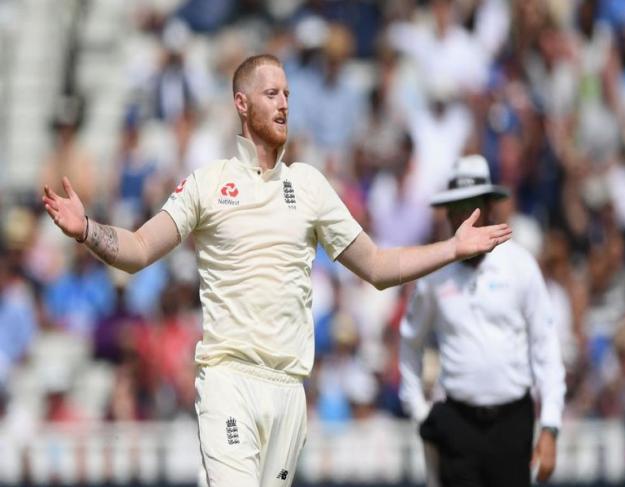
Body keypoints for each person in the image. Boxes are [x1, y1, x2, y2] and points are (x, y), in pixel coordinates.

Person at [42, 54, 512, 487]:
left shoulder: (309, 186)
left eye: (287, 93)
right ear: (241, 104)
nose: (284, 103)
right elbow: (141, 248)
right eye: (272, 94)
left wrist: (452, 248)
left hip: (289, 392)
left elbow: (377, 266)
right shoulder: (209, 183)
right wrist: (87, 230)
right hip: (229, 380)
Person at [399, 154, 566, 487]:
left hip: (512, 422)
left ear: (490, 209)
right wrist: (418, 409)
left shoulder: (519, 265)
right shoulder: (434, 276)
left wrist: (550, 425)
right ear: (448, 214)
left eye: (473, 207)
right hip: (457, 423)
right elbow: (410, 341)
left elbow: (546, 346)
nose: (466, 218)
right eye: (458, 208)